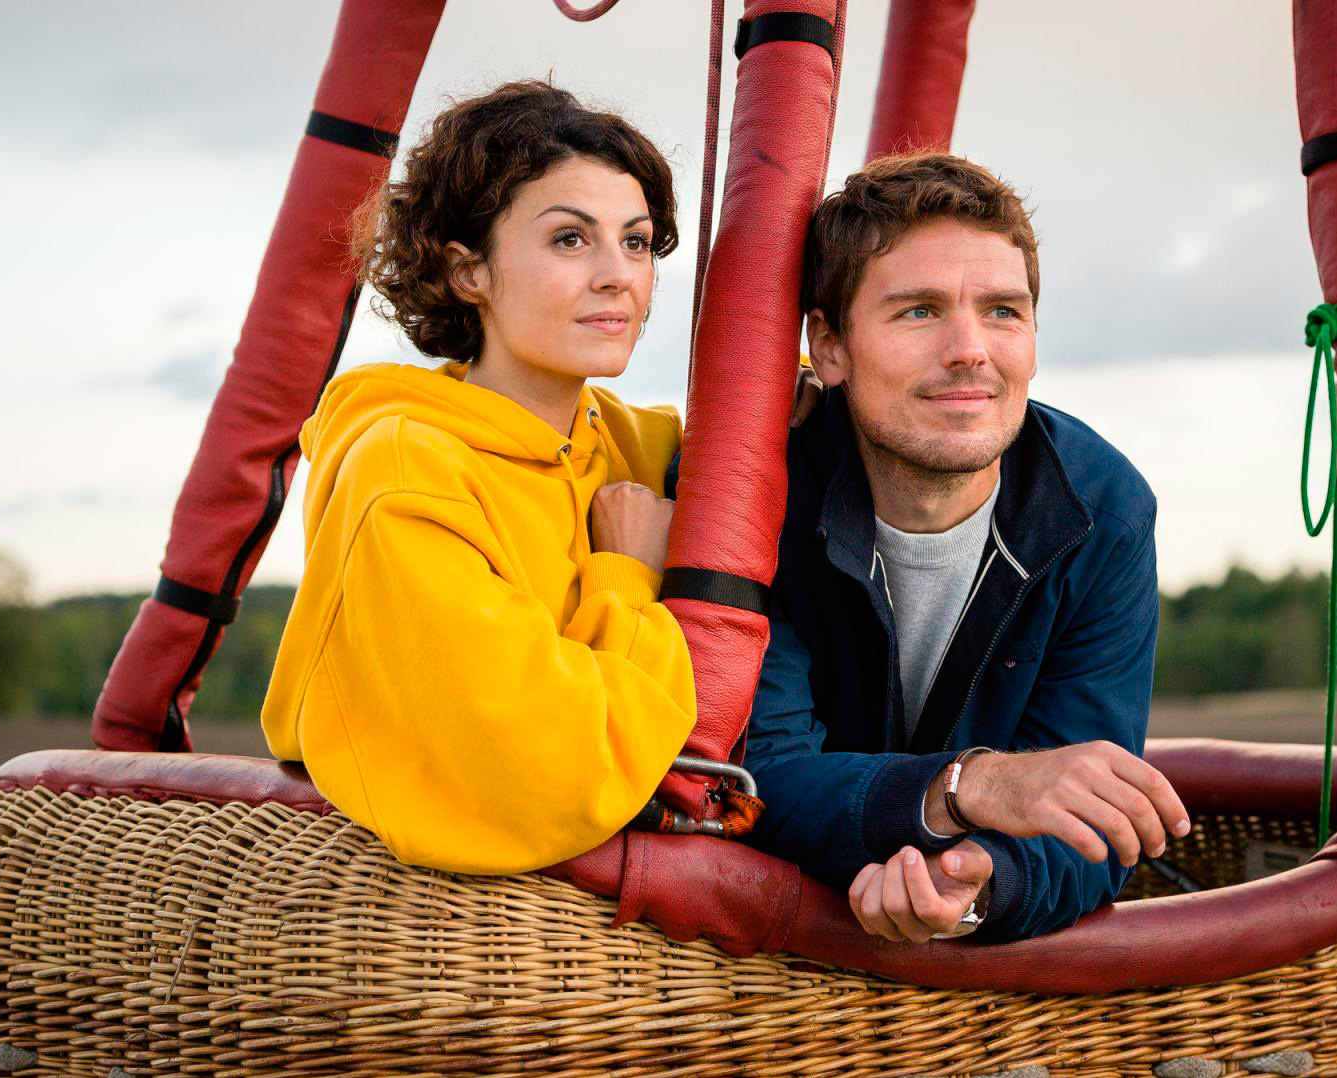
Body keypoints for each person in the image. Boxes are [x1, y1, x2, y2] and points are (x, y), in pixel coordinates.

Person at [745, 153, 1190, 944]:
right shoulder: (751, 496)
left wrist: (982, 883)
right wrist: (967, 787)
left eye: (1002, 311)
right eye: (919, 311)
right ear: (829, 346)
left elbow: (1090, 818)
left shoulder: (1104, 513)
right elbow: (756, 779)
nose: (969, 350)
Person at [260, 80, 696, 875]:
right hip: (442, 920)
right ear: (469, 272)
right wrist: (625, 578)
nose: (618, 276)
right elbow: (548, 774)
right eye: (571, 239)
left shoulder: (633, 442)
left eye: (636, 242)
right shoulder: (406, 471)